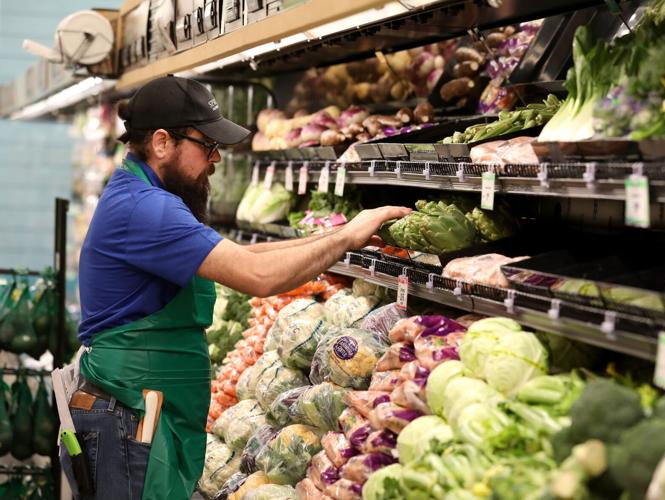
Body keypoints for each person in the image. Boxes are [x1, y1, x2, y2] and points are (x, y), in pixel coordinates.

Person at [61, 75, 410, 500]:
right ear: (161, 142)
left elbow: (248, 254)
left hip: (139, 410)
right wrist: (344, 238)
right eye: (207, 146)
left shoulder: (141, 194)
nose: (216, 160)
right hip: (130, 415)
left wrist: (337, 239)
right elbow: (257, 276)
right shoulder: (147, 208)